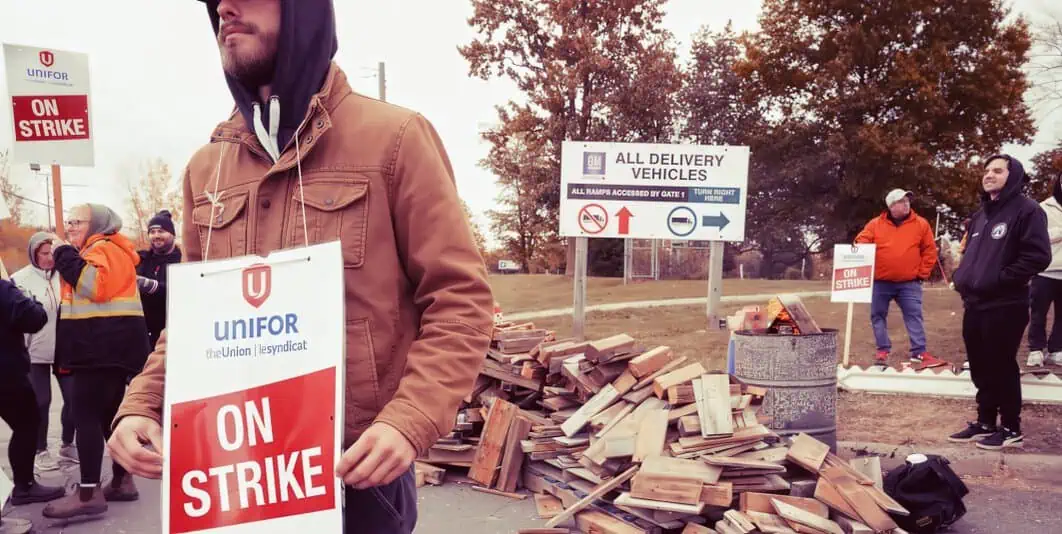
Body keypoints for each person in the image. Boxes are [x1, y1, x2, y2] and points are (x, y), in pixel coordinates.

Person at [107, 1, 493, 533]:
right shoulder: (207, 168)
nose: (224, 8)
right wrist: (142, 404)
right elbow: (195, 324)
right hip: (232, 478)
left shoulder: (396, 139)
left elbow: (460, 302)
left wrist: (410, 422)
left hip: (356, 477)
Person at [41, 204, 153, 519]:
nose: (70, 227)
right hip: (104, 350)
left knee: (84, 416)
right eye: (68, 222)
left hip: (100, 351)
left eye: (77, 221)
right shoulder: (99, 249)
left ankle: (89, 493)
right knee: (105, 419)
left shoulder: (105, 248)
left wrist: (63, 253)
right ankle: (121, 481)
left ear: (98, 224)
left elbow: (92, 286)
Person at [949, 154, 1051, 450]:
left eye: (998, 170)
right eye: (987, 170)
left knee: (1001, 365)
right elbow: (972, 254)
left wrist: (1000, 278)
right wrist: (962, 275)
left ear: (1013, 175)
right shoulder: (981, 214)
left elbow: (1038, 256)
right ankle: (985, 420)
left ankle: (1011, 427)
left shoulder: (1027, 210)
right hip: (975, 304)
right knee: (980, 365)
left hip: (1006, 304)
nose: (989, 175)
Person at [12, 233, 78, 471]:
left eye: (53, 252)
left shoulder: (65, 276)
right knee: (41, 401)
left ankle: (67, 444)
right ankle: (40, 450)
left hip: (65, 349)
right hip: (34, 351)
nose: (50, 258)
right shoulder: (19, 279)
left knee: (74, 400)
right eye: (44, 253)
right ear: (33, 254)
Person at [0, 265, 66, 506]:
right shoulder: (4, 289)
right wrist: (32, 301)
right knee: (27, 423)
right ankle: (24, 486)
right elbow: (34, 318)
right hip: (6, 374)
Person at [855, 189, 943, 368]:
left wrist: (922, 273)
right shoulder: (875, 224)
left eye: (907, 200)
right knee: (877, 316)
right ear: (891, 206)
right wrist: (861, 252)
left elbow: (930, 250)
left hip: (909, 283)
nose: (906, 203)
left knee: (914, 316)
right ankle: (882, 350)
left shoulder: (921, 224)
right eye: (901, 201)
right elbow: (860, 241)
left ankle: (919, 352)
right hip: (880, 282)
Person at [1026, 175, 1062, 367]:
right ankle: (1036, 349)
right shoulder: (1044, 207)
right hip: (1045, 271)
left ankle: (1056, 350)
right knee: (1038, 313)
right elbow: (1037, 236)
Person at [135, 210, 182, 350]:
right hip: (144, 335)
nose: (156, 236)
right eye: (152, 232)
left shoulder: (182, 260)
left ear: (172, 234)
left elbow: (183, 291)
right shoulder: (142, 259)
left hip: (172, 333)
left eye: (161, 231)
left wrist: (153, 286)